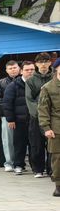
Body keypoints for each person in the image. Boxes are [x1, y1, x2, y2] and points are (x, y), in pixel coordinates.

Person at [25, 54, 52, 178]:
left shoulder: (55, 78)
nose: (43, 64)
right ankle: (38, 169)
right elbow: (29, 100)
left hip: (53, 117)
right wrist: (40, 114)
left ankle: (52, 169)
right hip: (36, 118)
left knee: (53, 144)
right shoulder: (31, 80)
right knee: (36, 144)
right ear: (36, 64)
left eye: (46, 61)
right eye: (40, 62)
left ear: (50, 63)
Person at [37, 58, 60, 196]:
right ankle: (58, 185)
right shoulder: (48, 87)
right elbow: (43, 109)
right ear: (56, 68)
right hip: (57, 129)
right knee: (57, 158)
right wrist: (46, 128)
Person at [3, 60, 30, 174]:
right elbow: (7, 103)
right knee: (19, 143)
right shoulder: (13, 85)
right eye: (27, 70)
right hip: (19, 120)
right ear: (22, 71)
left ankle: (36, 166)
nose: (30, 72)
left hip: (34, 119)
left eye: (32, 70)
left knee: (35, 144)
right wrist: (10, 119)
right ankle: (18, 164)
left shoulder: (35, 83)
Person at [0, 59, 21, 172]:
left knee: (24, 140)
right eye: (10, 68)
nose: (13, 70)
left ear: (19, 68)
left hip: (23, 115)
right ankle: (9, 162)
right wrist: (10, 108)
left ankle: (21, 163)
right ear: (6, 70)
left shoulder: (25, 81)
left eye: (15, 67)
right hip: (7, 116)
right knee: (8, 140)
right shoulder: (1, 83)